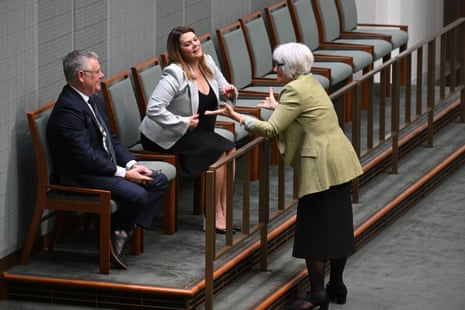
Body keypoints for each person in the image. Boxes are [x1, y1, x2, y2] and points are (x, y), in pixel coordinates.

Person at [207, 42, 363, 309]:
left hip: (320, 168)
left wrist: (238, 117)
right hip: (340, 161)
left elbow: (270, 129)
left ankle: (317, 295)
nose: (274, 69)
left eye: (278, 65)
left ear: (290, 68)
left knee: (313, 232)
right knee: (337, 229)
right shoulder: (310, 82)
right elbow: (303, 115)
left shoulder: (293, 89)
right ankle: (336, 286)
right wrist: (277, 105)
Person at [47, 50, 169, 270]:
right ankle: (117, 233)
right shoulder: (68, 109)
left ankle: (121, 230)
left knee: (158, 181)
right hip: (81, 176)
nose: (102, 75)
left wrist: (132, 164)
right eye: (96, 72)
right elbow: (85, 157)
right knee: (138, 194)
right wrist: (123, 173)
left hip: (102, 167)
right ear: (81, 76)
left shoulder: (92, 99)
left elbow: (110, 139)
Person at [139, 26, 238, 234]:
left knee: (231, 151)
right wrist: (182, 122)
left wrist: (229, 92)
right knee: (221, 152)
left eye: (195, 40)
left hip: (197, 132)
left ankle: (222, 210)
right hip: (167, 135)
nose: (194, 45)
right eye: (188, 44)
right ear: (179, 50)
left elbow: (223, 87)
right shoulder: (174, 73)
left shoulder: (207, 62)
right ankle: (213, 215)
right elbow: (153, 108)